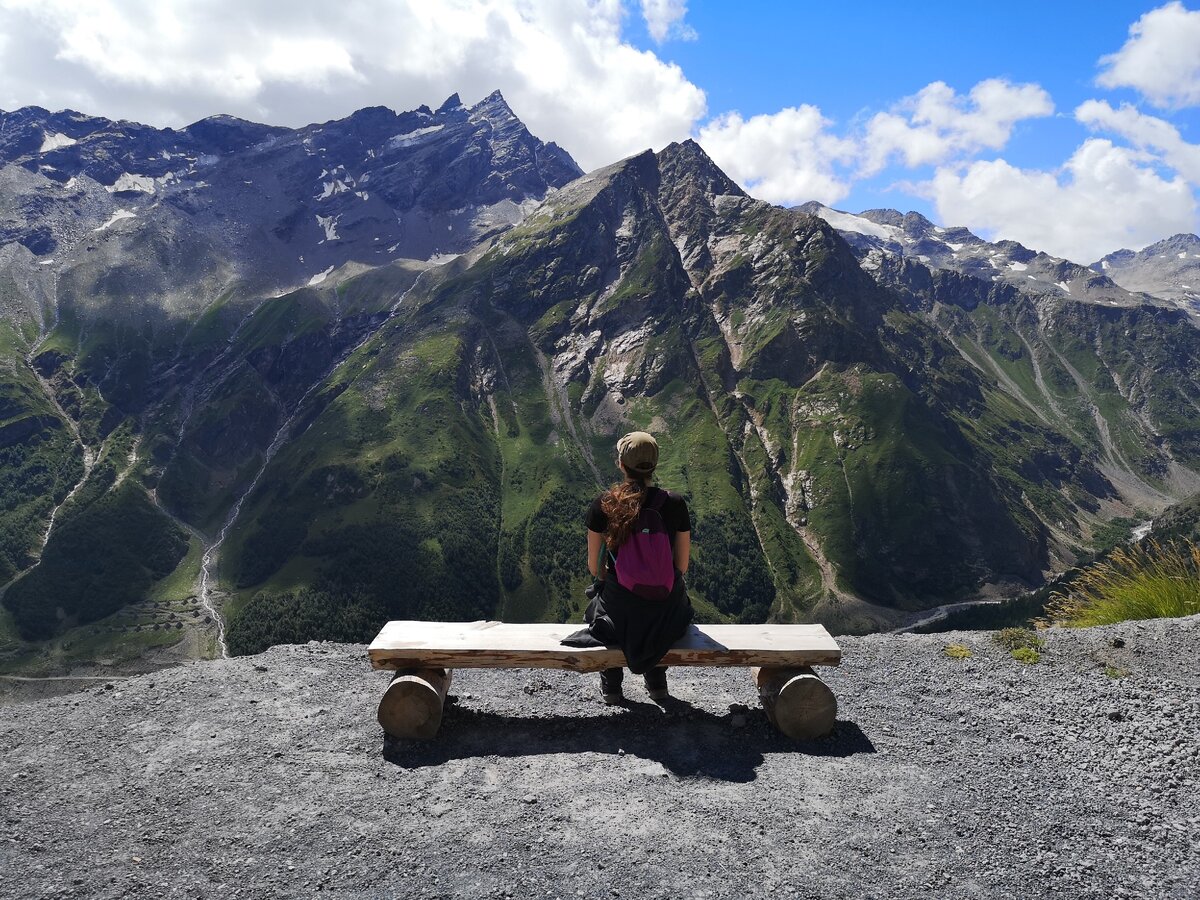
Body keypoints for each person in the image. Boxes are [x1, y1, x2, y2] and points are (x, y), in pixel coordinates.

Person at [582, 431, 693, 704]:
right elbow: (681, 565)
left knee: (601, 609)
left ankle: (612, 685)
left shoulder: (604, 505)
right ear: (654, 465)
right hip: (666, 612)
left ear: (621, 464)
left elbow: (594, 568)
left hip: (620, 614)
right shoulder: (675, 503)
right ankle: (657, 683)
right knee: (661, 611)